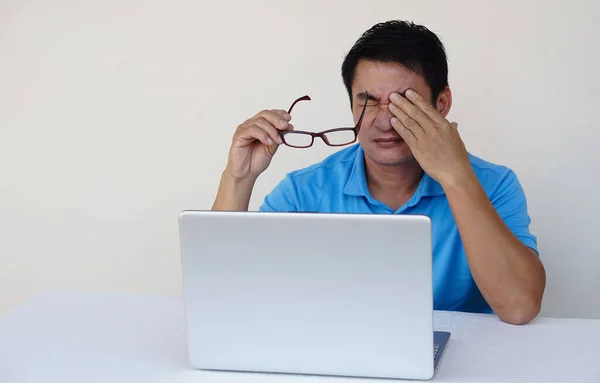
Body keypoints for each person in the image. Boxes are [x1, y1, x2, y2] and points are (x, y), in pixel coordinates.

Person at [212, 20, 546, 325]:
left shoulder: (495, 184)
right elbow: (221, 296)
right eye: (368, 101)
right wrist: (238, 178)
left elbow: (519, 307)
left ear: (441, 104)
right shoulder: (304, 191)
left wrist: (455, 176)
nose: (385, 121)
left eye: (403, 101)